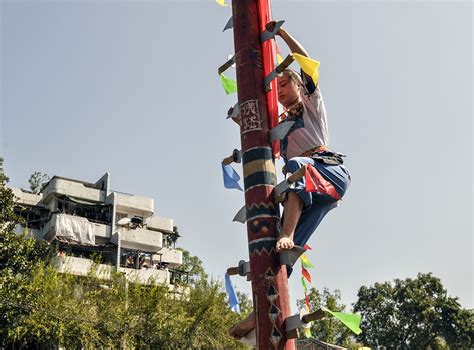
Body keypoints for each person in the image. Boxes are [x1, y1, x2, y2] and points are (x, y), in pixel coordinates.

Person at [229, 22, 350, 340]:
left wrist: (282, 34)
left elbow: (306, 60)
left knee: (295, 169)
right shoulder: (278, 126)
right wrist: (242, 118)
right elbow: (260, 141)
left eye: (285, 84)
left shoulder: (311, 104)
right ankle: (262, 311)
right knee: (282, 255)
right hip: (310, 192)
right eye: (277, 87)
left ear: (298, 85)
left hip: (328, 171)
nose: (280, 90)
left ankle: (286, 231)